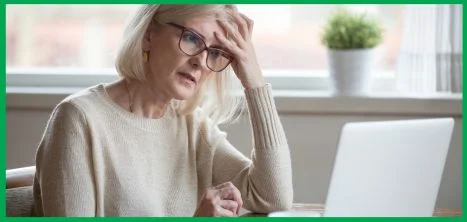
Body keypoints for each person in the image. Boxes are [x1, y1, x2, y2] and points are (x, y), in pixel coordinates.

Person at [33, 4, 293, 217]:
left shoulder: (192, 125)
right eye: (192, 39)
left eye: (214, 52)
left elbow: (273, 196)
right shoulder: (78, 119)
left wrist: (254, 79)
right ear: (148, 35)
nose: (201, 61)